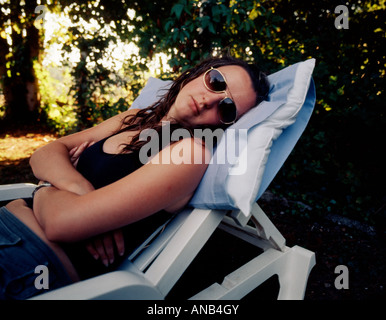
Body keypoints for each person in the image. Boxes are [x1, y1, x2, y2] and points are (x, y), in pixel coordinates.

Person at [0, 55, 270, 299]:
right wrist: (79, 187)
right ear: (197, 73)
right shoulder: (135, 118)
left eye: (226, 108)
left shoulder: (189, 153)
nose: (209, 99)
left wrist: (46, 184)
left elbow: (60, 223)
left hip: (29, 263)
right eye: (216, 81)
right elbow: (44, 153)